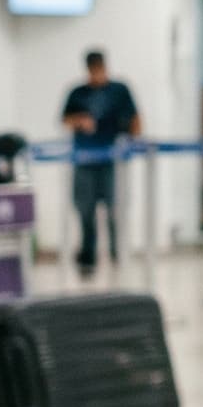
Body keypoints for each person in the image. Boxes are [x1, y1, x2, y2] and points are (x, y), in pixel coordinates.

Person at [60, 50, 140, 275]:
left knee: (115, 209)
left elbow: (135, 119)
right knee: (85, 210)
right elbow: (65, 118)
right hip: (84, 161)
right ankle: (88, 257)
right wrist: (79, 121)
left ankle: (117, 255)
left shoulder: (119, 91)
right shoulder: (77, 93)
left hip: (111, 161)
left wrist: (132, 142)